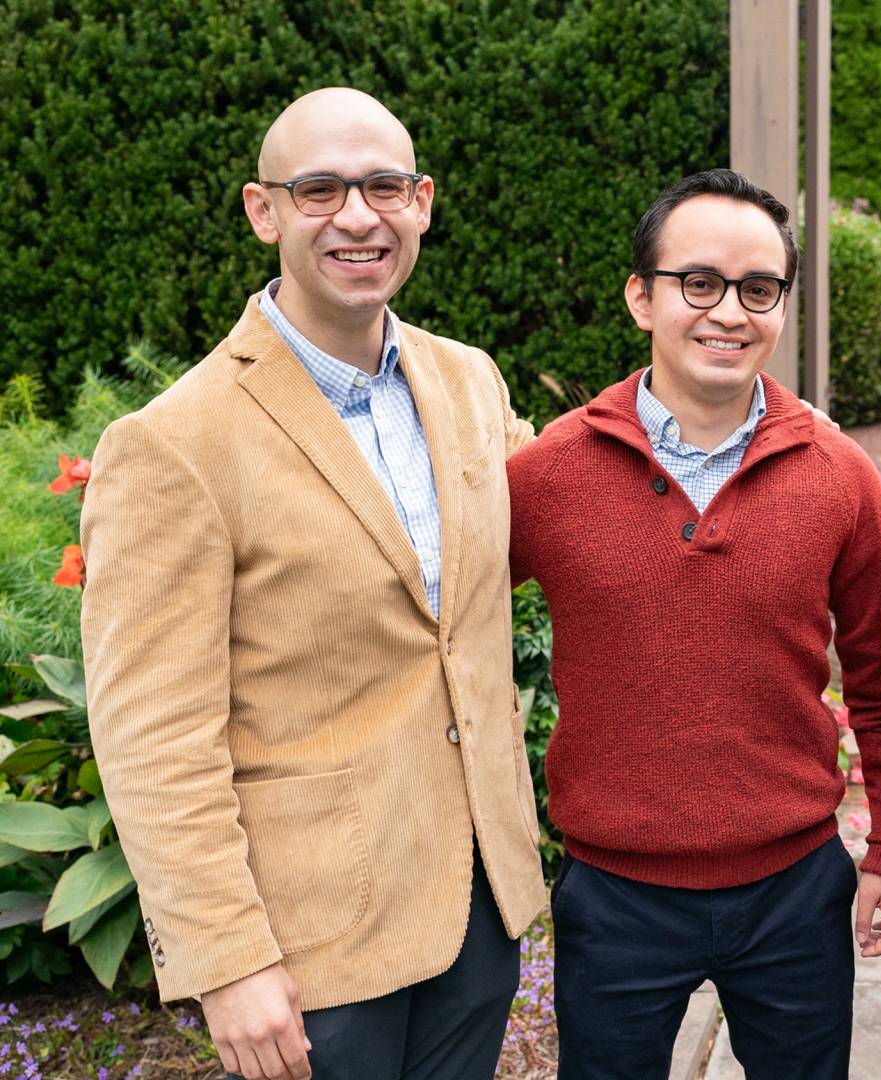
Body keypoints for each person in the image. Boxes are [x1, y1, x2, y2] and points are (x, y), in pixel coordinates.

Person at [79, 88, 546, 1080]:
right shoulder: (174, 444)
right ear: (266, 211)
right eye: (321, 188)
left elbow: (569, 517)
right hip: (311, 949)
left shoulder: (469, 382)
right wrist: (228, 959)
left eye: (383, 186)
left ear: (422, 201)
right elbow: (155, 738)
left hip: (478, 907)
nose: (357, 215)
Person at [505, 168, 881, 1080]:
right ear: (641, 297)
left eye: (758, 289)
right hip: (614, 895)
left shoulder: (839, 476)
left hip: (796, 888)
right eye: (698, 283)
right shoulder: (546, 476)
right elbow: (444, 635)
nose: (729, 312)